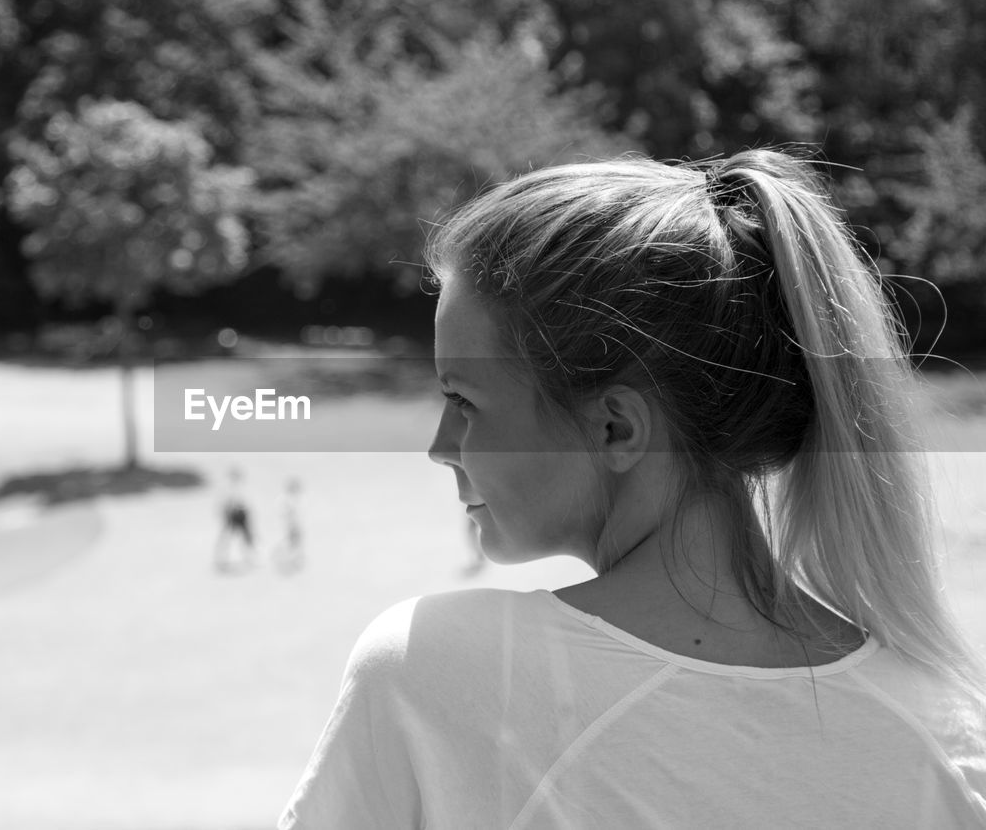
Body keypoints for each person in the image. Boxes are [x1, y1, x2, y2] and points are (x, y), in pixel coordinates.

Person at [279, 148, 986, 828]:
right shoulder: (946, 742)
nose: (439, 448)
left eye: (463, 401)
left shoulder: (432, 672)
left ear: (616, 427)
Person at [214, 466, 255, 572]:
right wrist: (227, 512)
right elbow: (224, 503)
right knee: (228, 537)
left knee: (245, 537)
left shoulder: (241, 487)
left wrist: (244, 511)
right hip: (232, 515)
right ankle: (222, 559)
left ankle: (249, 558)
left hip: (240, 515)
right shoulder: (227, 488)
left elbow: (244, 503)